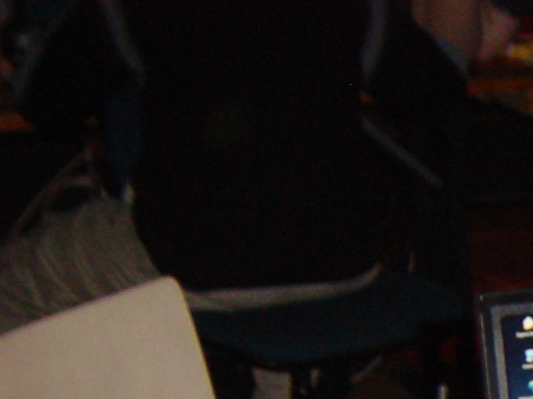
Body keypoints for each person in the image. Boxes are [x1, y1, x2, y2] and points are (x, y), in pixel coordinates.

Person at [0, 0, 464, 336]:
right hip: (345, 255)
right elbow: (433, 86)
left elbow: (47, 103)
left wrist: (18, 43)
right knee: (271, 229)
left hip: (199, 256)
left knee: (10, 284)